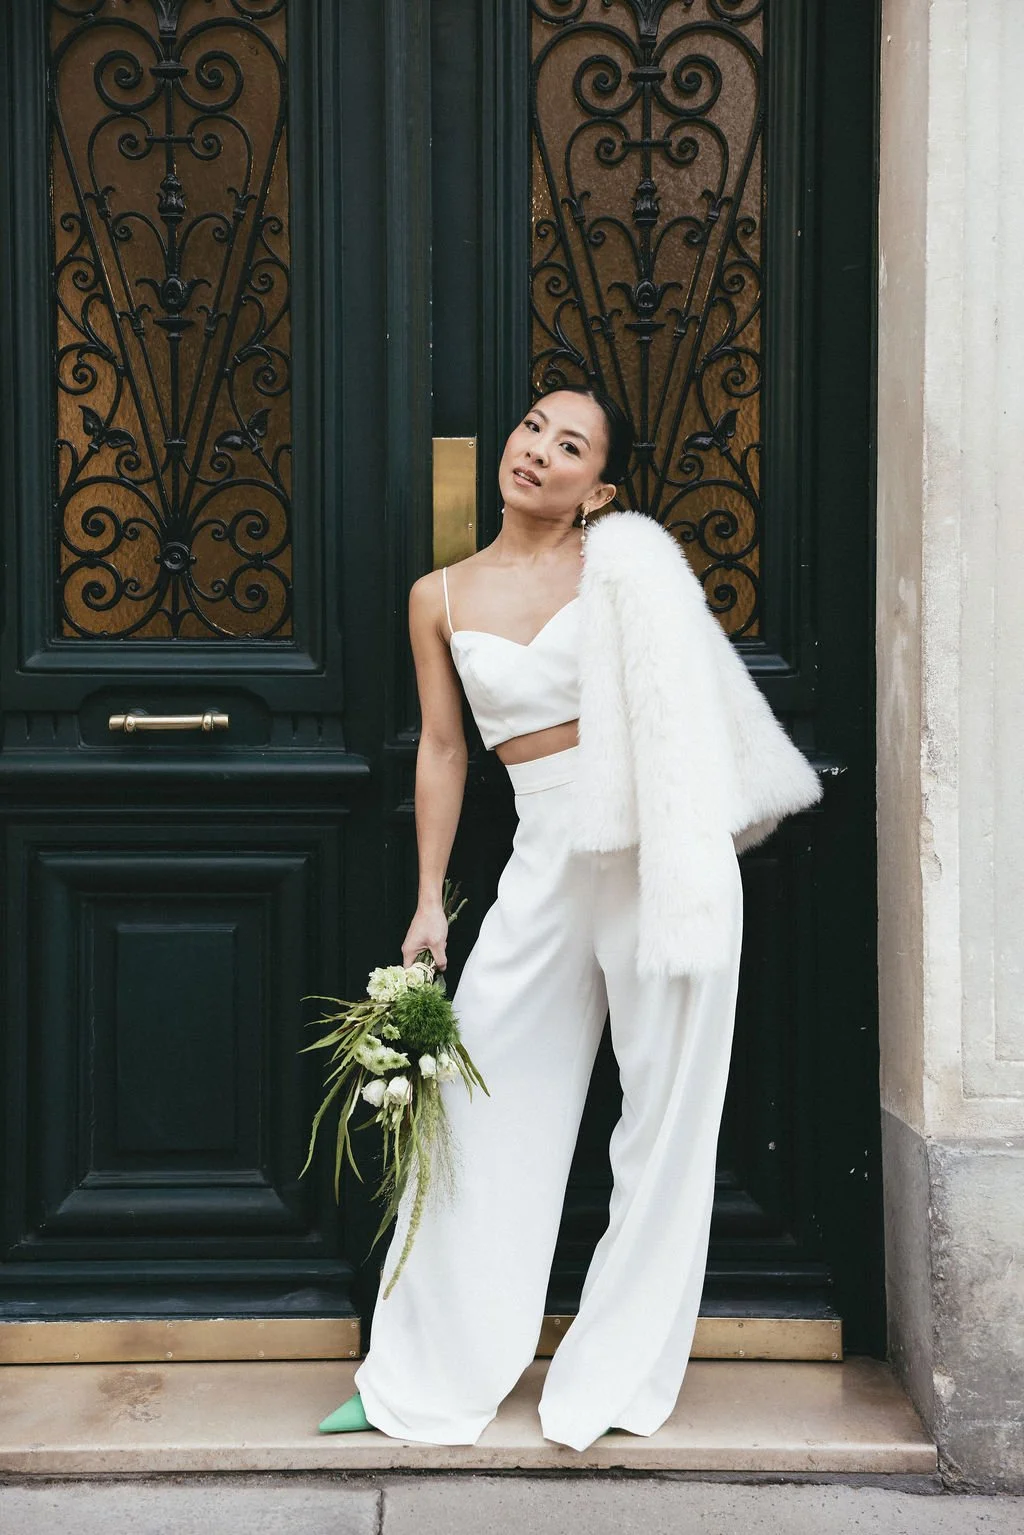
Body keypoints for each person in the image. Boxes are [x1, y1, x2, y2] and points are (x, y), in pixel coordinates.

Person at [316, 386, 776, 1451]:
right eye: (532, 428)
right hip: (540, 854)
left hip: (660, 847)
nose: (539, 451)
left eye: (571, 446)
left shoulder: (622, 567)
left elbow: (690, 705)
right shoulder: (438, 592)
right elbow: (443, 749)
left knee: (664, 1121)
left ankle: (614, 1377)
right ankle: (422, 1376)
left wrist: (682, 849)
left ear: (597, 489)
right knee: (479, 1106)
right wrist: (430, 899)